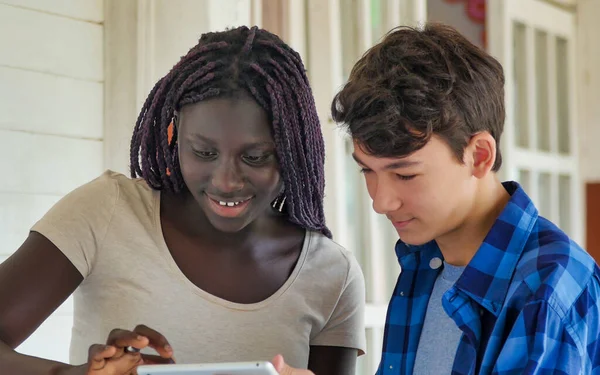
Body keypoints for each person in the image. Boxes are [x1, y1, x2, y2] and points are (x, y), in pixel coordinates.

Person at [0, 26, 366, 375]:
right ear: (175, 134)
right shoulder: (105, 212)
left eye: (254, 157)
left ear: (294, 150)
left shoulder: (332, 276)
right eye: (204, 152)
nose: (225, 182)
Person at [277, 23, 600, 375]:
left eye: (405, 175)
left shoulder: (549, 288)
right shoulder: (425, 262)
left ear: (479, 156)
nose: (381, 202)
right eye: (367, 171)